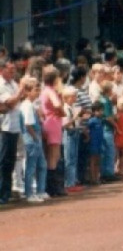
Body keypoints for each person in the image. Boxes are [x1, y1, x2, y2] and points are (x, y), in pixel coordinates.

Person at [39, 66, 66, 196]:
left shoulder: (45, 90)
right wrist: (61, 111)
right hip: (53, 121)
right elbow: (57, 105)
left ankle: (52, 186)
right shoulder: (50, 91)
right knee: (53, 156)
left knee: (53, 155)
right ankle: (53, 187)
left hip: (50, 121)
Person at [20, 79, 48, 203]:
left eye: (38, 90)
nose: (38, 92)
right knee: (31, 166)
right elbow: (27, 124)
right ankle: (29, 193)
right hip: (31, 138)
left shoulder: (32, 105)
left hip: (36, 136)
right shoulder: (26, 105)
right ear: (27, 92)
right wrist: (35, 137)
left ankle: (40, 190)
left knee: (42, 165)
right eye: (35, 90)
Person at [0, 58, 24, 205]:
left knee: (10, 161)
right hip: (4, 127)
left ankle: (7, 192)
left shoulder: (13, 84)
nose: (13, 72)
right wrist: (20, 92)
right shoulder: (1, 85)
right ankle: (2, 193)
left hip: (14, 126)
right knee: (3, 161)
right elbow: (9, 103)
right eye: (10, 70)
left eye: (14, 70)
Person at [61, 86, 84, 193]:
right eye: (72, 96)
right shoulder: (65, 109)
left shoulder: (72, 107)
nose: (74, 98)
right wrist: (75, 117)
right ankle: (68, 183)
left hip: (74, 132)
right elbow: (65, 124)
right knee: (69, 159)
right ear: (66, 98)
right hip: (68, 134)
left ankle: (72, 181)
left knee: (74, 158)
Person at [86, 102, 104, 185]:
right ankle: (92, 178)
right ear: (94, 112)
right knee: (93, 160)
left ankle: (97, 177)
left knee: (98, 160)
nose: (101, 112)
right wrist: (88, 137)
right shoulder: (92, 120)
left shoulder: (100, 120)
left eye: (101, 111)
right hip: (93, 142)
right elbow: (85, 129)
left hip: (99, 142)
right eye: (99, 111)